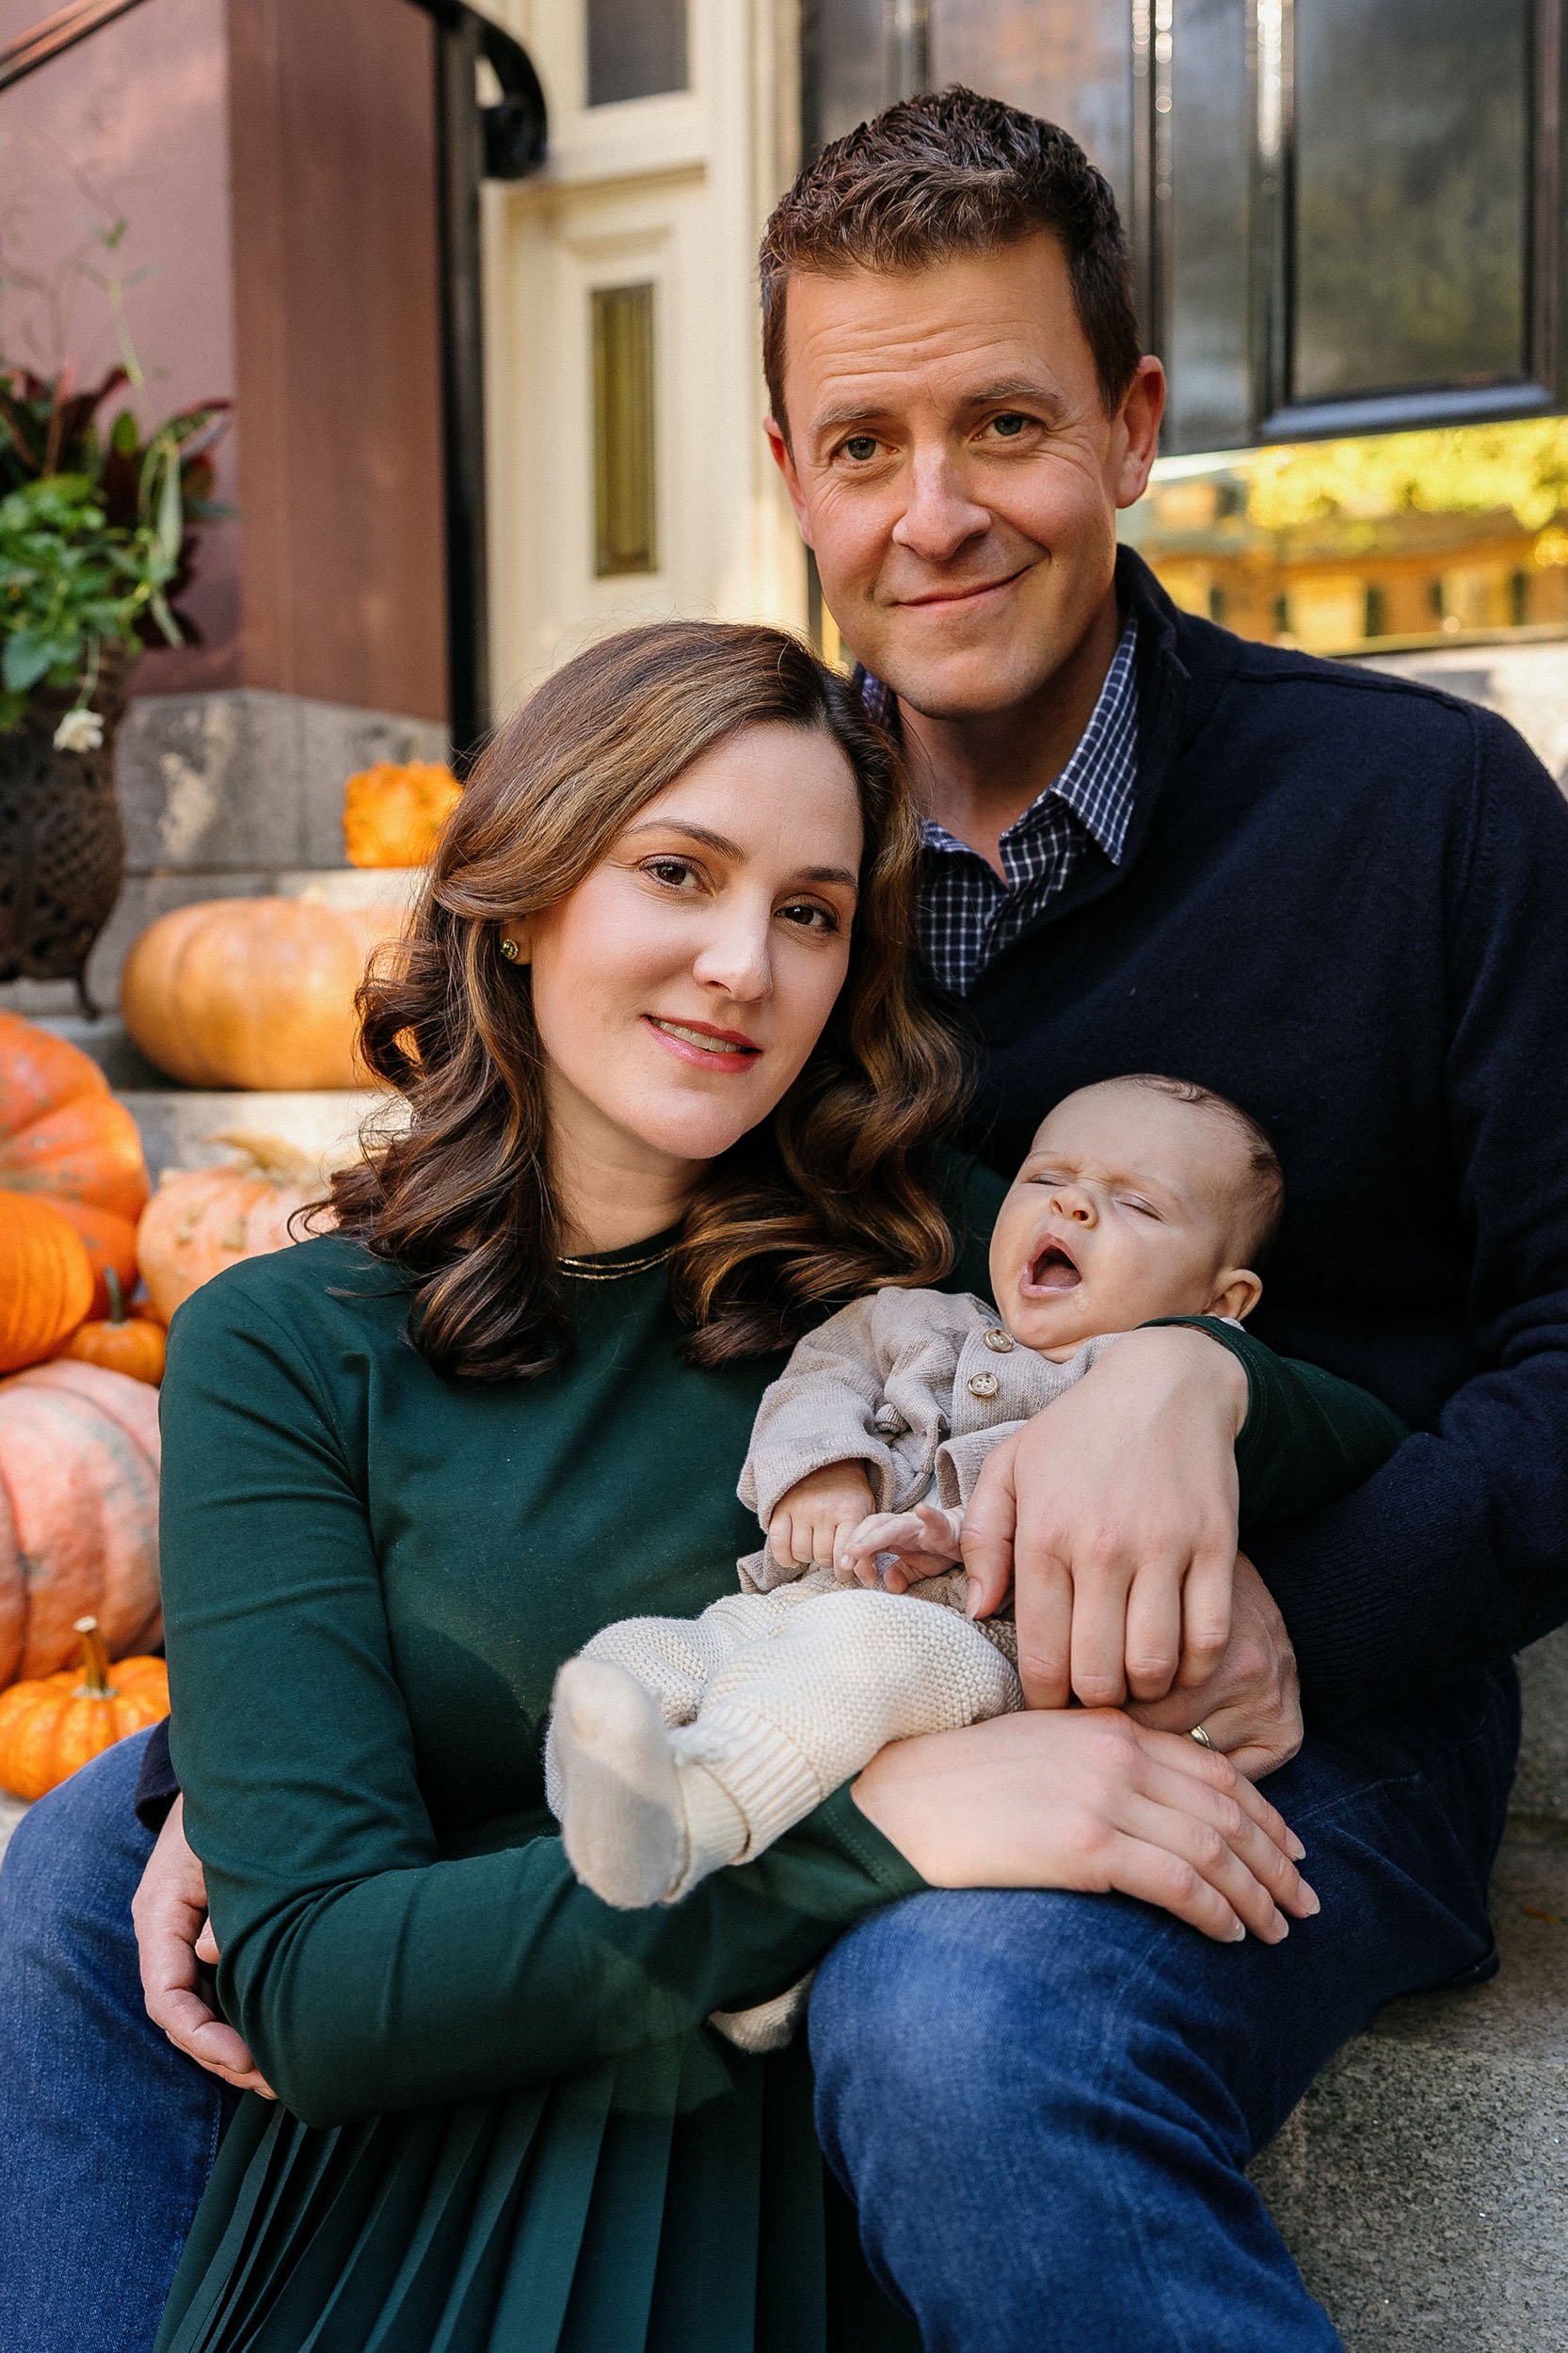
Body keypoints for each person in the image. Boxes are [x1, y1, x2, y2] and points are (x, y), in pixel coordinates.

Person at [0, 82, 1558, 2353]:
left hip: (1304, 1655)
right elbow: (592, 1372)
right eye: (861, 446)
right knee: (78, 1881)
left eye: (1006, 424)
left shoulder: (1420, 814)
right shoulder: (781, 808)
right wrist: (268, 1752)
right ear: (788, 471)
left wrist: (1220, 1445)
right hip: (809, 1596)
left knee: (951, 2020)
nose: (933, 514)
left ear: (1133, 426)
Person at [0, 617, 1327, 2353]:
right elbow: (322, 1990)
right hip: (418, 2178)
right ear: (533, 888)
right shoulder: (285, 1342)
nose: (740, 966)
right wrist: (880, 1836)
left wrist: (1180, 1376)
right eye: (677, 874)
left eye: (808, 911)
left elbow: (1333, 1423)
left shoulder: (909, 1243)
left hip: (760, 2159)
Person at [549, 1075, 1405, 1937]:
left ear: (1223, 1303)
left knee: (857, 1654)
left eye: (1137, 1205)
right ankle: (611, 1823)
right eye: (1046, 1179)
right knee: (634, 1654)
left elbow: (1343, 1450)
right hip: (793, 1603)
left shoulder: (1149, 1406)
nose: (1072, 1207)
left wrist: (955, 1533)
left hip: (966, 1643)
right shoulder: (906, 1317)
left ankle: (707, 1819)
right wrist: (823, 1475)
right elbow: (822, 1379)